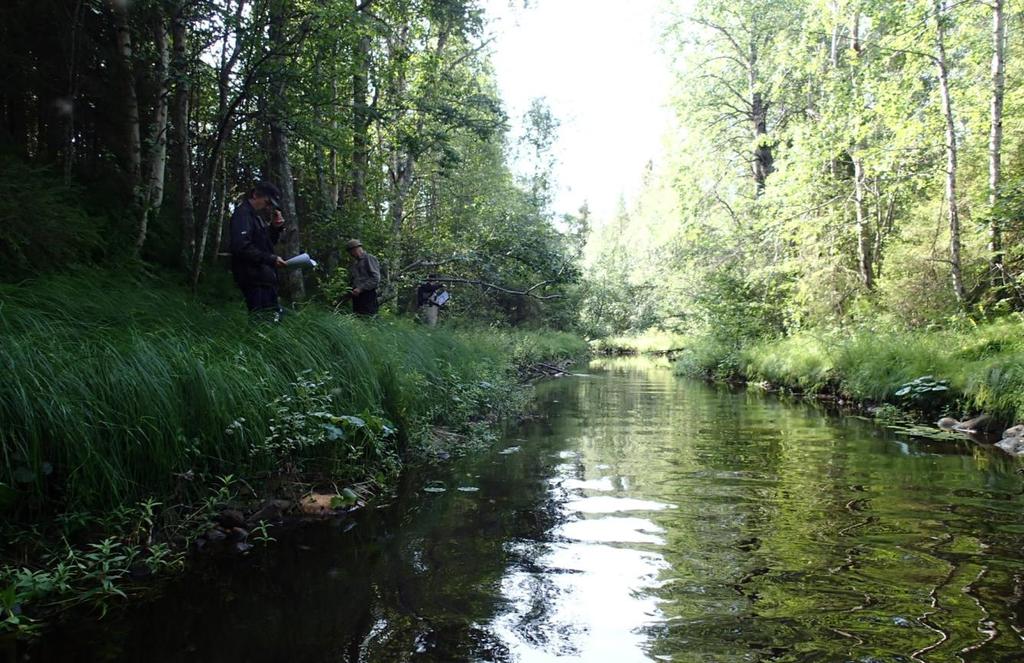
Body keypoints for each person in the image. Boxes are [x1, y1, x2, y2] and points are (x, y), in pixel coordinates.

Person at [229, 181, 287, 321]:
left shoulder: (256, 218)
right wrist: (271, 259)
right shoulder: (243, 215)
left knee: (273, 318)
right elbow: (241, 246)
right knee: (261, 320)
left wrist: (275, 227)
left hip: (264, 277)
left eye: (270, 204)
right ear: (255, 195)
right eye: (267, 202)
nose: (268, 207)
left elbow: (266, 244)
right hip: (253, 277)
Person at [346, 238, 380, 315]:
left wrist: (360, 288)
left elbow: (375, 278)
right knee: (358, 320)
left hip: (368, 296)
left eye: (351, 252)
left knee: (368, 320)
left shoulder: (369, 258)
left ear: (355, 249)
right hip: (357, 297)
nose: (351, 255)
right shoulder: (355, 263)